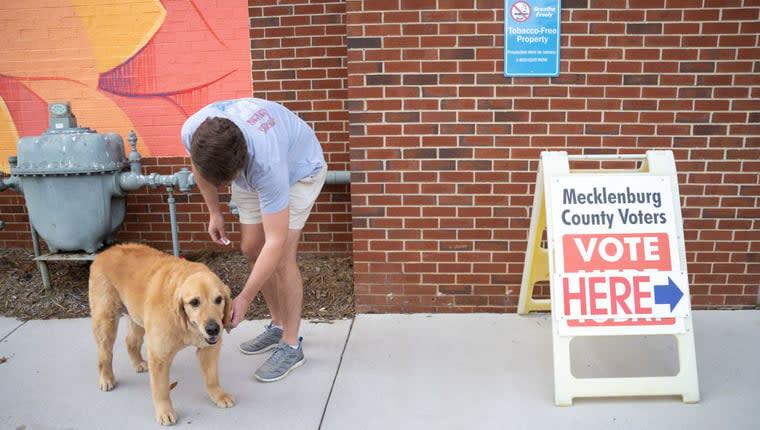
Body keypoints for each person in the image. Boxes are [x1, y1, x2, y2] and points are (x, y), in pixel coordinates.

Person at [181, 98, 327, 382]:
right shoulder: (193, 131)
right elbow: (198, 168)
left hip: (298, 172)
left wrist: (244, 298)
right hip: (248, 167)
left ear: (242, 163)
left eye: (229, 180)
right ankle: (277, 323)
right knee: (250, 248)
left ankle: (291, 343)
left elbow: (275, 240)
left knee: (282, 256)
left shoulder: (267, 163)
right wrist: (215, 212)